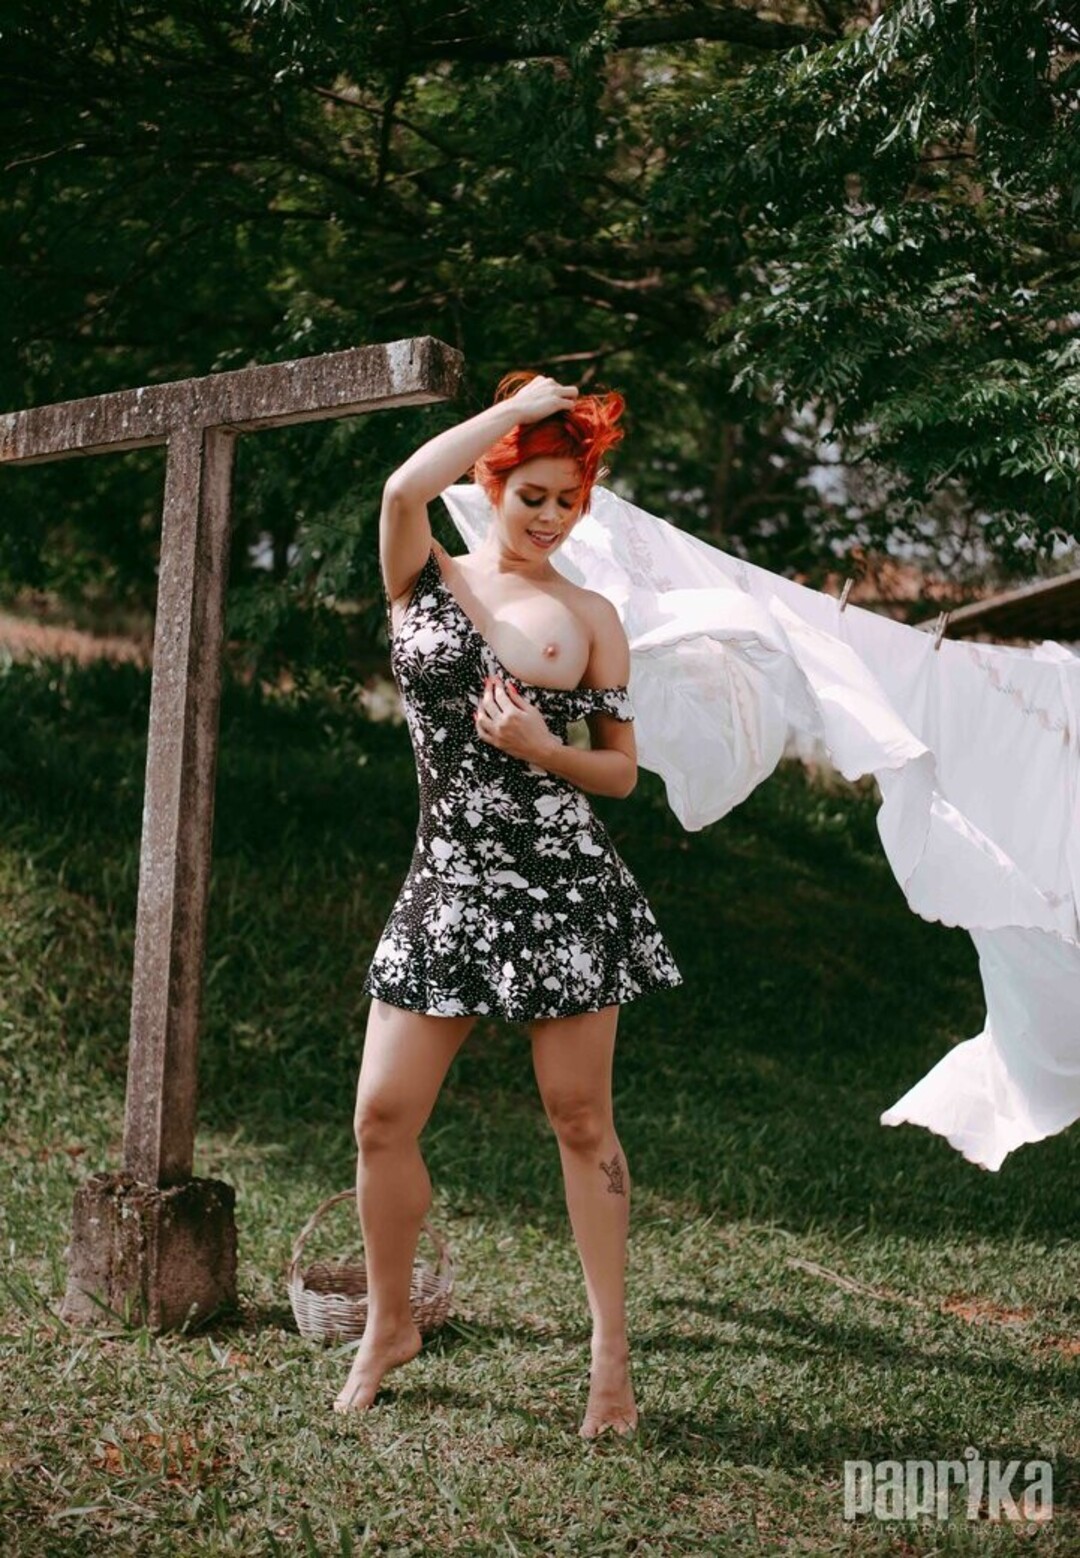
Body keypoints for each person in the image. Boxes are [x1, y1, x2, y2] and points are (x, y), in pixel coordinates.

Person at [334, 371, 683, 1437]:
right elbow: (401, 488)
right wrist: (516, 409)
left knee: (581, 1119)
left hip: (561, 886)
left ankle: (611, 1358)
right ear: (492, 482)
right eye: (532, 493)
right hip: (446, 879)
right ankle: (389, 1322)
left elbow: (622, 772)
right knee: (381, 1117)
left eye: (568, 500)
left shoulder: (591, 616)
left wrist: (545, 747)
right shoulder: (422, 570)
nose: (549, 516)